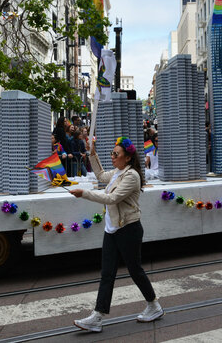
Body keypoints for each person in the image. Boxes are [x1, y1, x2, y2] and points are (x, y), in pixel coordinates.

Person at [70, 137, 162, 332]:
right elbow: (101, 175)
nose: (112, 157)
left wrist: (84, 193)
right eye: (112, 153)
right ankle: (97, 317)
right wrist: (92, 154)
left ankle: (154, 306)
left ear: (127, 158)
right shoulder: (118, 172)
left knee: (135, 270)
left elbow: (111, 198)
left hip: (128, 229)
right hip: (112, 229)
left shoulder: (132, 176)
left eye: (116, 154)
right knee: (107, 273)